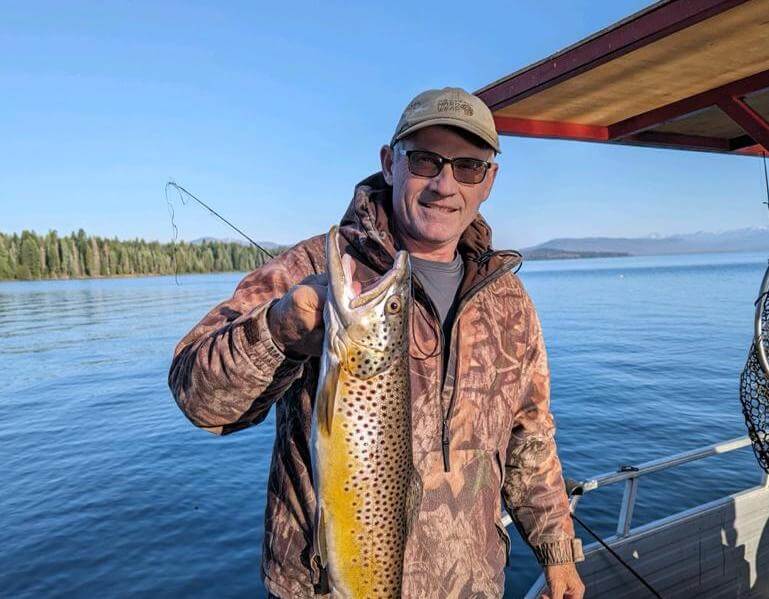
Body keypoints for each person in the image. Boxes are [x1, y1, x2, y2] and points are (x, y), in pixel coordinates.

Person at [168, 87, 585, 599]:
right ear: (390, 164)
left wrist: (558, 554)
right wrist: (278, 331)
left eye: (469, 167)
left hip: (472, 586)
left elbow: (531, 438)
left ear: (489, 181)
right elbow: (197, 396)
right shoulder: (316, 269)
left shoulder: (508, 301)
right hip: (328, 586)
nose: (444, 184)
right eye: (426, 160)